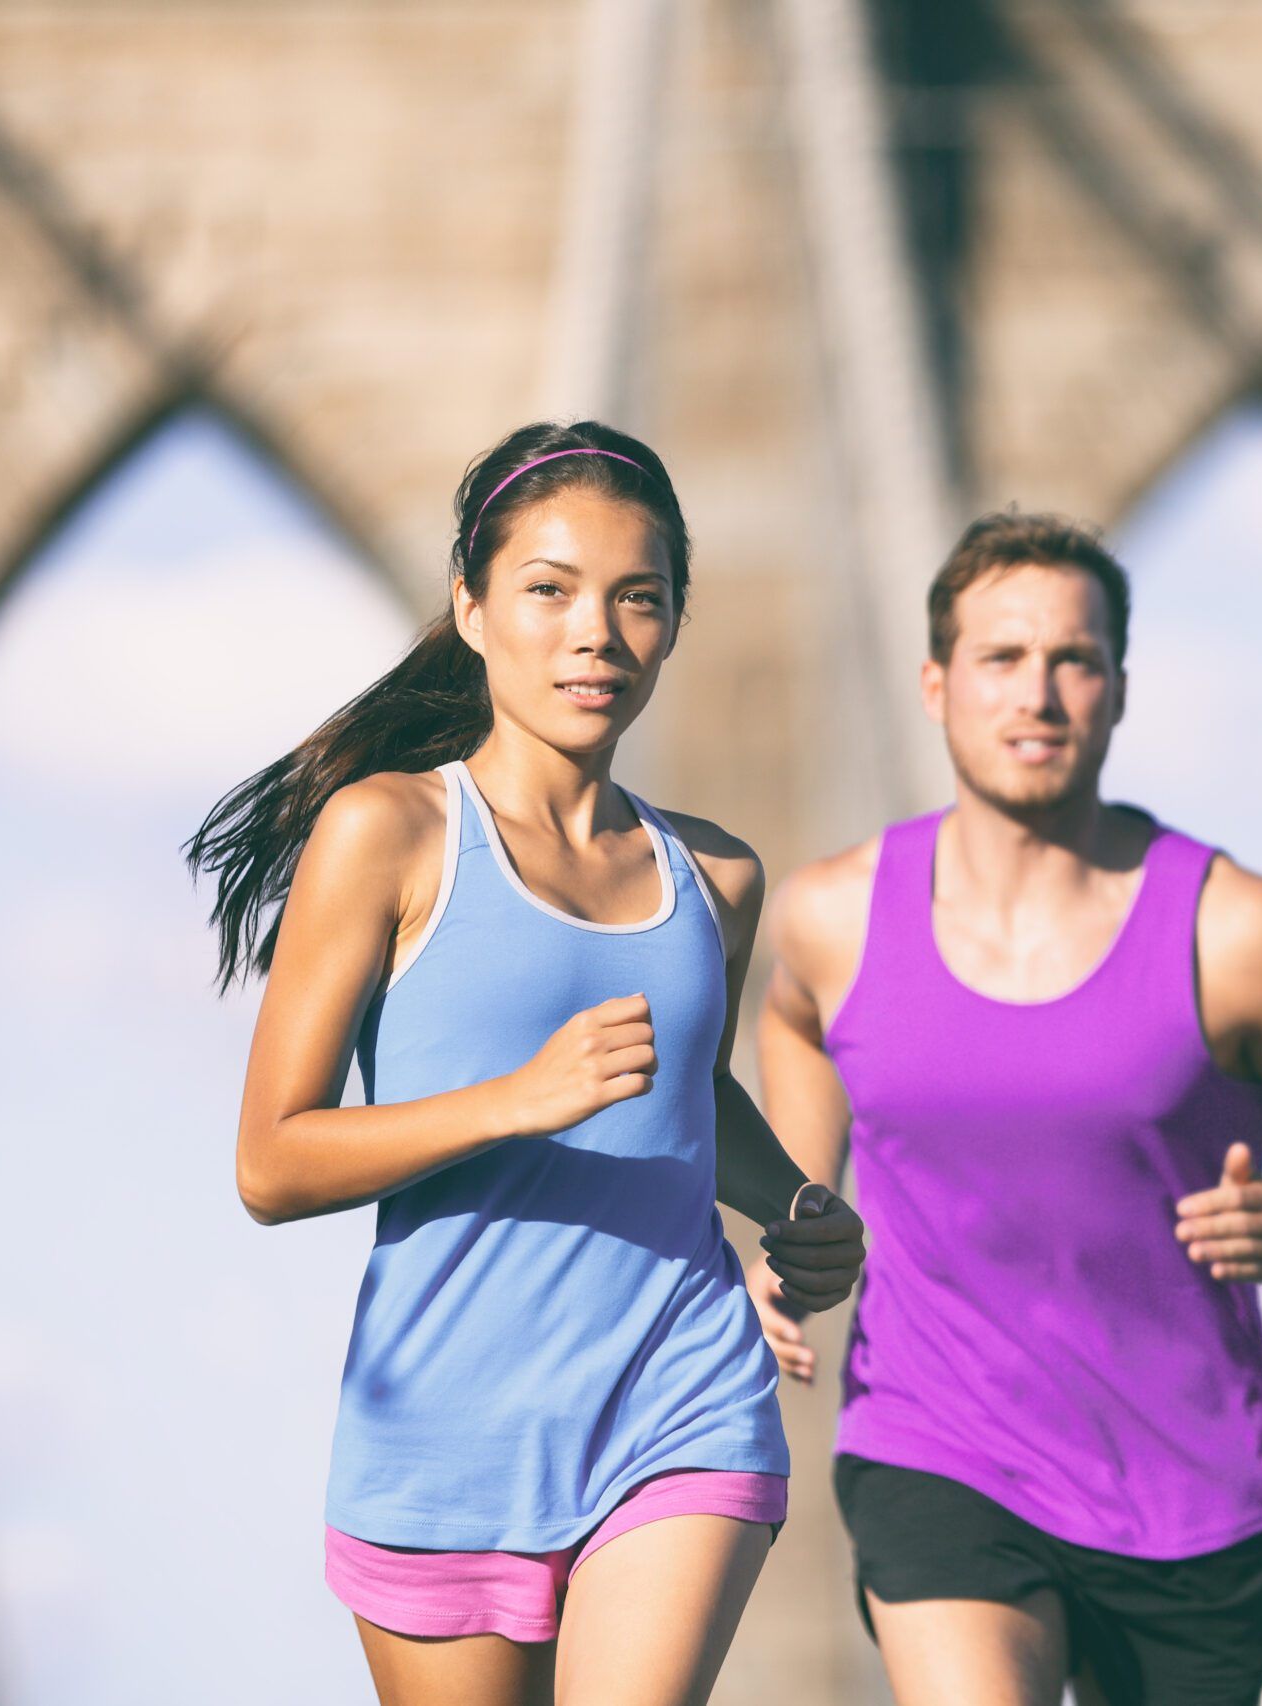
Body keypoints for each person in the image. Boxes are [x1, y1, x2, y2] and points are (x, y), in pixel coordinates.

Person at [188, 421, 866, 1706]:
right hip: (448, 1432)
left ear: (674, 622)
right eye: (549, 590)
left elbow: (681, 1100)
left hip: (678, 1388)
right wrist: (515, 1100)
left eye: (637, 598)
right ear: (471, 602)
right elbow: (271, 1159)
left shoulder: (713, 877)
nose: (593, 634)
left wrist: (792, 1201)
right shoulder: (386, 831)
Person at [755, 511, 1262, 1706]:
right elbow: (796, 1021)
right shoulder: (836, 913)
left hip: (1186, 1490)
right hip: (934, 1439)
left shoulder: (1241, 933)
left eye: (1074, 660)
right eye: (1001, 659)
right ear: (936, 683)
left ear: (1119, 689)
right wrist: (799, 1203)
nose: (1039, 694)